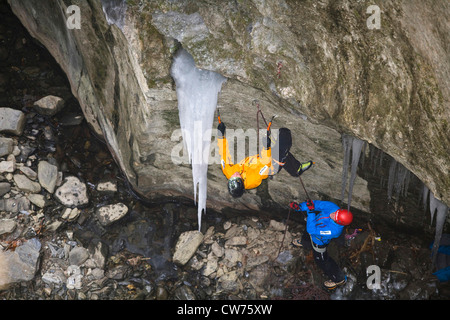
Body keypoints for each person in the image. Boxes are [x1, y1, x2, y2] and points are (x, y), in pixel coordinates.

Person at [217, 121, 313, 198]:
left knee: (281, 152)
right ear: (242, 182)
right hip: (269, 166)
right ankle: (295, 168)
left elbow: (224, 154)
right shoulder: (253, 179)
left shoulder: (228, 172)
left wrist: (220, 135)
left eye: (231, 179)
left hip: (259, 160)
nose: (235, 175)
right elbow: (265, 164)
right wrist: (266, 148)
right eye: (237, 178)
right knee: (284, 134)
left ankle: (295, 169)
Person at [289, 200, 353, 290]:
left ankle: (339, 279)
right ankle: (305, 243)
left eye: (335, 216)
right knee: (307, 233)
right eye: (336, 212)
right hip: (314, 223)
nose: (333, 214)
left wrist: (311, 213)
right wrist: (300, 207)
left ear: (338, 222)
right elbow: (316, 204)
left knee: (322, 261)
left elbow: (312, 230)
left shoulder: (334, 230)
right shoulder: (333, 208)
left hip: (319, 241)